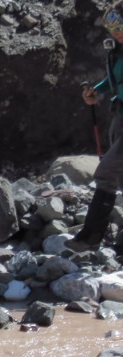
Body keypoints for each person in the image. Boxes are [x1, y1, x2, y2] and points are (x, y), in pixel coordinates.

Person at [69, 3, 123, 252]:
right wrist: (96, 91)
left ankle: (91, 236)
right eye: (113, 28)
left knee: (106, 172)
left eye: (120, 27)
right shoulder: (119, 50)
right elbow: (115, 79)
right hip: (120, 113)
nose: (116, 33)